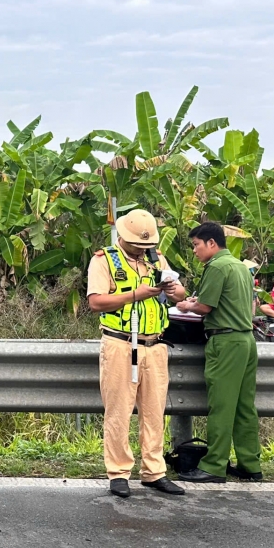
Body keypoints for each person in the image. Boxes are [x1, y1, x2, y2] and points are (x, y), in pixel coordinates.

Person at [86, 208, 188, 498]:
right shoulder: (103, 260)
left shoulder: (158, 258)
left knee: (155, 411)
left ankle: (154, 472)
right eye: (138, 245)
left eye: (148, 245)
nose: (144, 250)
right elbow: (96, 302)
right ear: (122, 237)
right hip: (120, 344)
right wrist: (136, 295)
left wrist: (172, 287)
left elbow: (179, 295)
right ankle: (118, 472)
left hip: (155, 345)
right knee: (118, 410)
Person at [175, 222, 263, 483]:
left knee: (222, 406)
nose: (195, 251)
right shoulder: (239, 266)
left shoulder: (215, 266)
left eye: (196, 245)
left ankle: (214, 465)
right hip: (246, 340)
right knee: (244, 407)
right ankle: (250, 464)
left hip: (225, 342)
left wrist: (185, 305)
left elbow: (205, 307)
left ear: (211, 243)